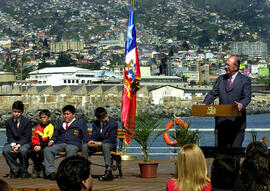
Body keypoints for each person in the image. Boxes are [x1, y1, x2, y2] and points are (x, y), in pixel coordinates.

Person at [203, 56, 252, 147]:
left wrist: (241, 104)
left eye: (228, 65)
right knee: (221, 155)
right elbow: (213, 94)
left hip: (237, 124)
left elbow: (247, 97)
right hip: (221, 124)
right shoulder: (220, 79)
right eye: (225, 65)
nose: (226, 67)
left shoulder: (245, 80)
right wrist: (204, 103)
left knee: (235, 154)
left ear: (236, 67)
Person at [44, 105, 89, 180]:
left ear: (73, 114)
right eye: (64, 114)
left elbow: (85, 136)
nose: (65, 116)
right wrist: (52, 140)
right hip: (61, 143)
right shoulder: (60, 124)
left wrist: (86, 145)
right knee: (47, 150)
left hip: (74, 143)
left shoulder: (80, 123)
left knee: (70, 149)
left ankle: (69, 172)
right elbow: (55, 135)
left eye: (68, 114)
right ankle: (52, 172)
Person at [82, 107, 118, 181]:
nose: (106, 118)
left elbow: (112, 139)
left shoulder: (113, 124)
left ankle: (108, 171)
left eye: (106, 116)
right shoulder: (95, 124)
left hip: (110, 144)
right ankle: (84, 170)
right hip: (98, 144)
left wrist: (100, 143)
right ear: (99, 118)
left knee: (105, 145)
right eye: (103, 117)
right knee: (85, 146)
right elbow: (94, 136)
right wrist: (91, 141)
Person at [2, 101, 32, 178]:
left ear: (22, 112)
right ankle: (16, 169)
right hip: (13, 142)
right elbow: (9, 136)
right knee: (5, 150)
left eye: (18, 112)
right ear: (12, 111)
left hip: (24, 142)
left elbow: (27, 137)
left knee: (23, 150)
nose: (16, 114)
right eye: (15, 111)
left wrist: (18, 145)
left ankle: (24, 170)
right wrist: (13, 145)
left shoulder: (27, 122)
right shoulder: (8, 122)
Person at [29, 109, 54, 178]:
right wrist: (36, 145)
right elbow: (35, 138)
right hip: (39, 145)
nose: (42, 119)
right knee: (30, 151)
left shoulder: (51, 127)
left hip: (47, 146)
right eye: (41, 118)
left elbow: (50, 140)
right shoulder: (38, 127)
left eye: (44, 117)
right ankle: (38, 166)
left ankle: (38, 167)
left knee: (42, 151)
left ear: (49, 118)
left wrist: (40, 146)